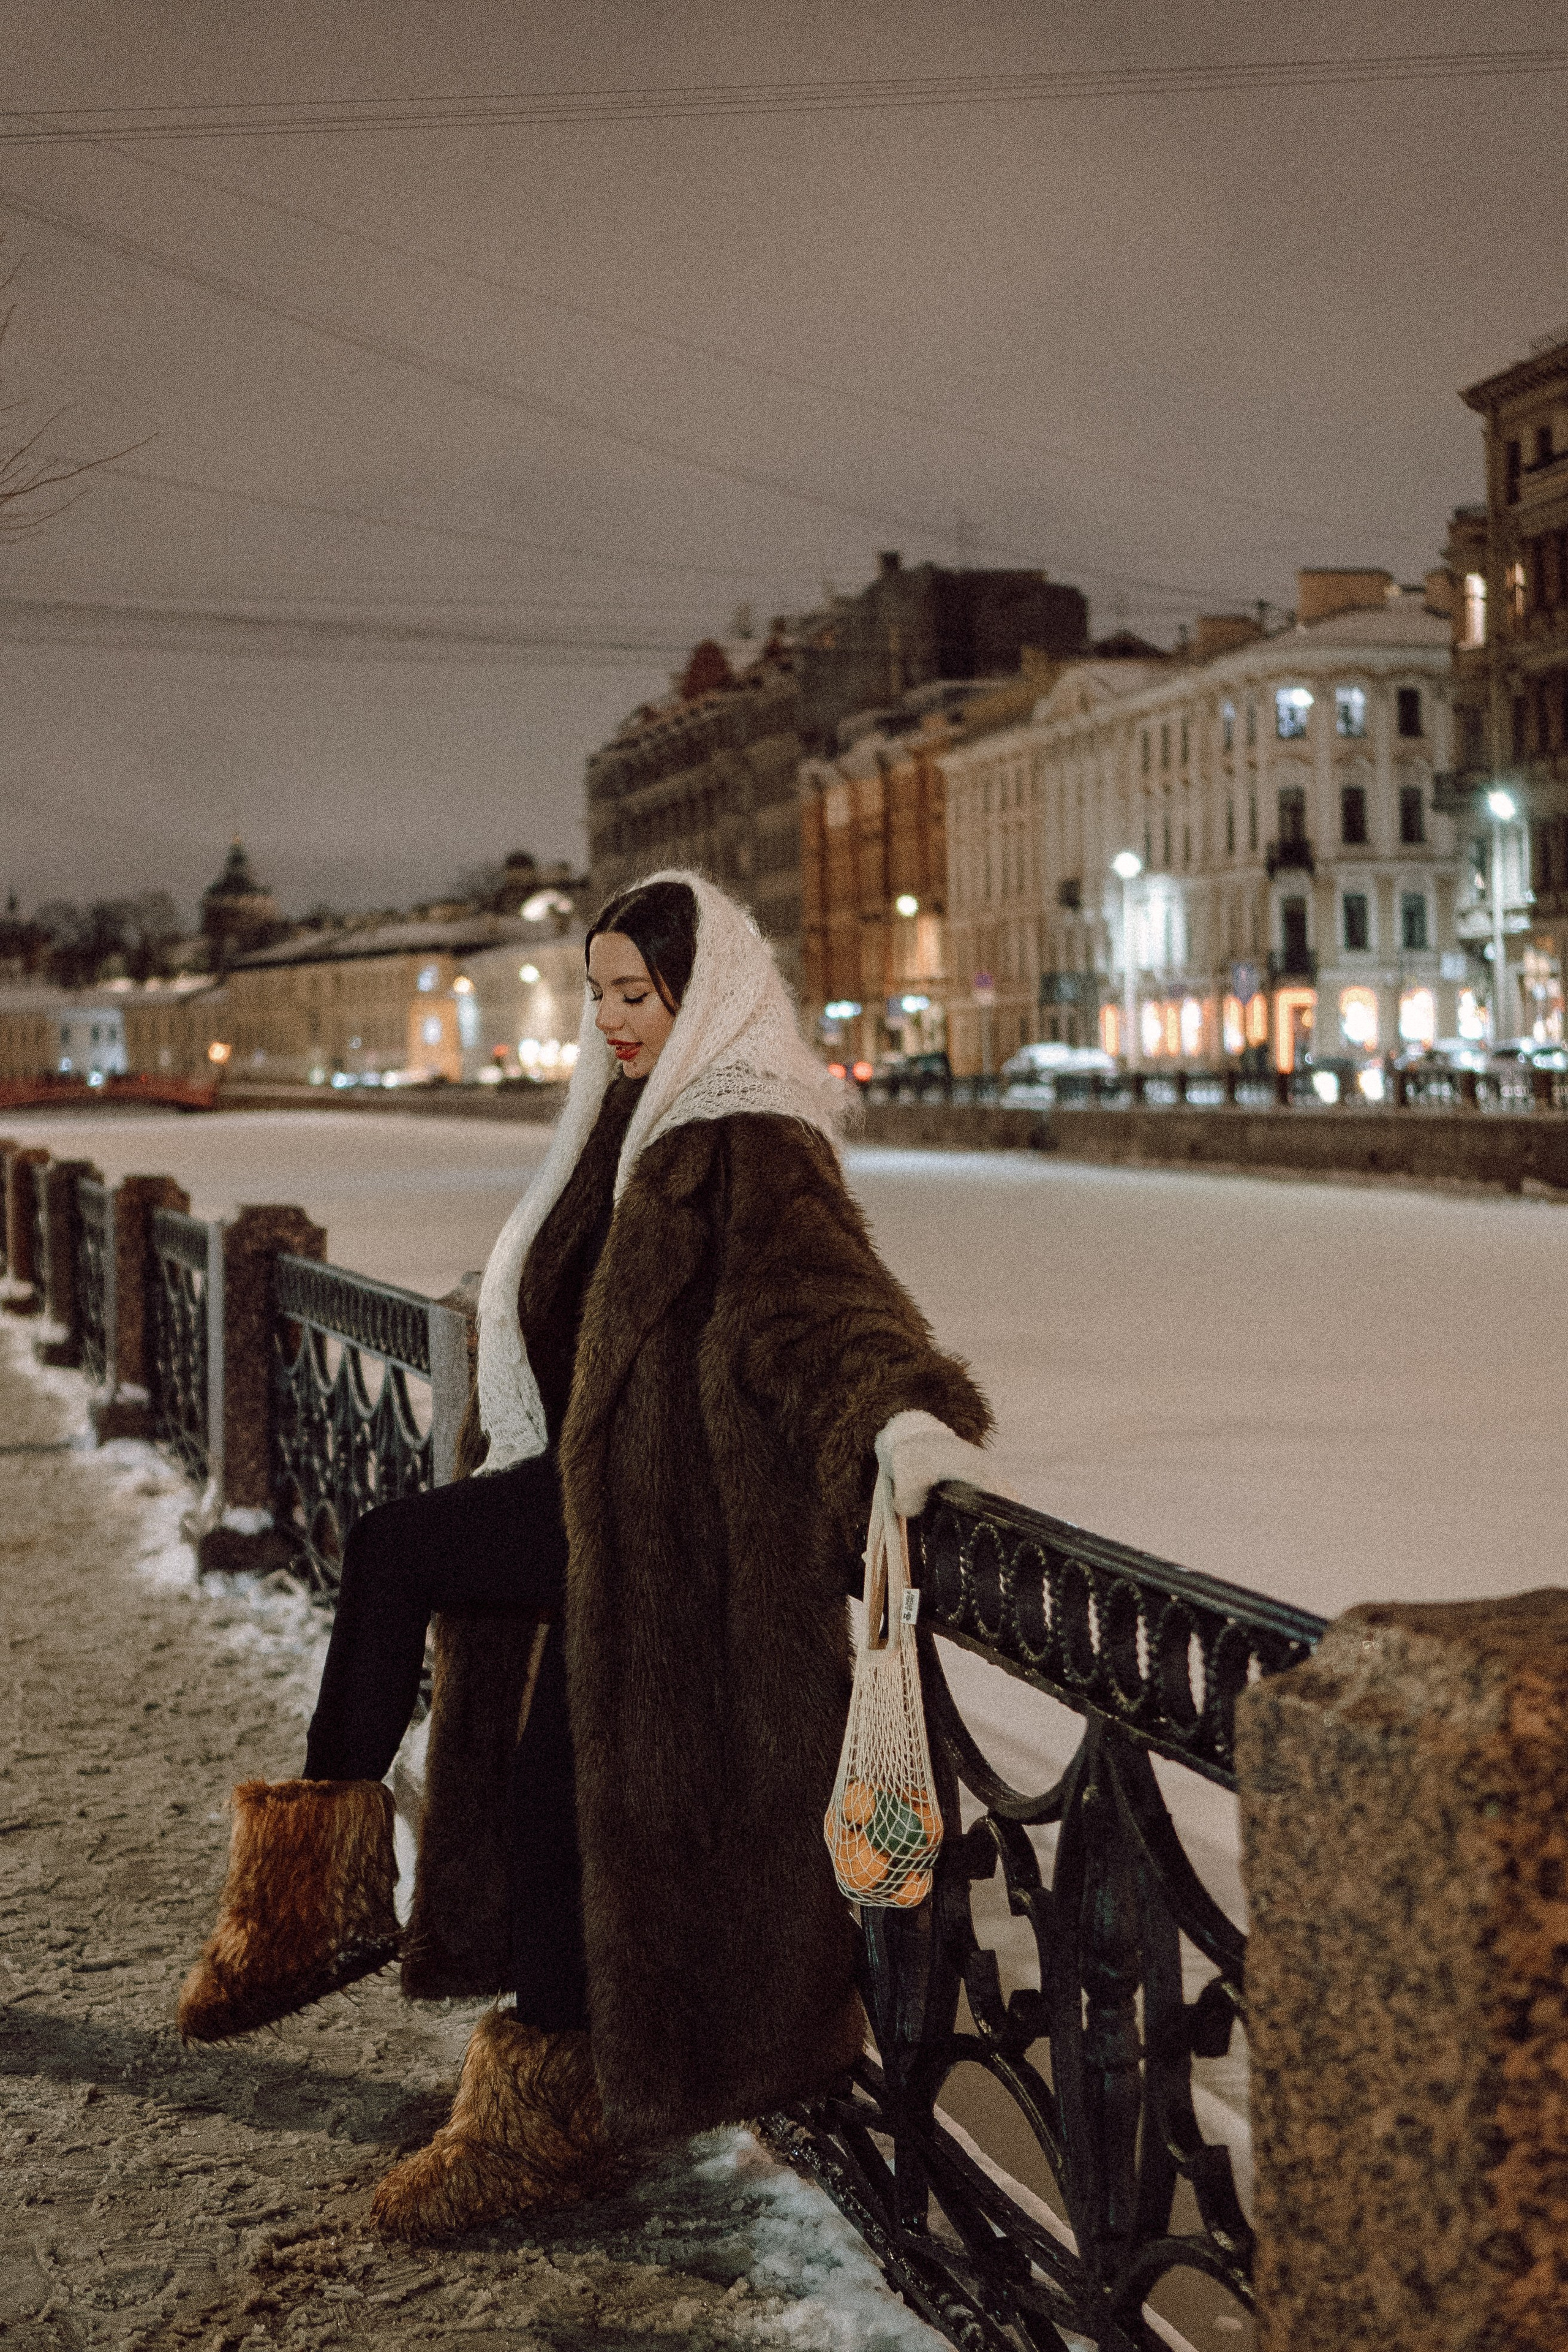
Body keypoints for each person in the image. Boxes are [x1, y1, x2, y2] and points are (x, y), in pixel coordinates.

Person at [177, 870, 994, 2241]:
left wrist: (905, 1414)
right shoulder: (632, 1119)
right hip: (585, 1507)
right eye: (600, 993)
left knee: (415, 1585)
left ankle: (327, 1912)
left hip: (662, 1535)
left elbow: (821, 1307)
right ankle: (520, 2082)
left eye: (637, 993)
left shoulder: (747, 1133)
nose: (612, 1019)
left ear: (704, 992)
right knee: (554, 1803)